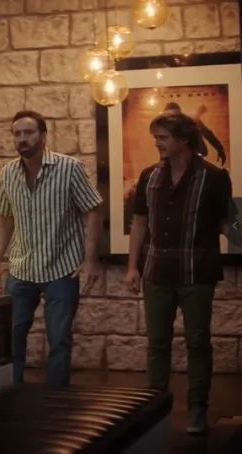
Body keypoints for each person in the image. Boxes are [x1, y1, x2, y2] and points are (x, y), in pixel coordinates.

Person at [124, 111, 232, 435]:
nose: (157, 143)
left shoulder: (214, 177)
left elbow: (228, 224)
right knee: (157, 342)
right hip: (157, 272)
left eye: (163, 138)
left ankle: (198, 409)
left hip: (197, 272)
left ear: (183, 140)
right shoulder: (149, 176)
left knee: (198, 342)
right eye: (156, 137)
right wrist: (132, 267)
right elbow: (139, 223)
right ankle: (155, 409)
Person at [0, 110, 103, 387]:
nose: (22, 139)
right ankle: (11, 393)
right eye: (17, 134)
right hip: (21, 268)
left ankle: (56, 399)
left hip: (61, 268)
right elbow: (5, 219)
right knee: (12, 337)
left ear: (43, 136)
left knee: (59, 340)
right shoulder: (8, 173)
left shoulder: (69, 168)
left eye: (29, 133)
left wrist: (90, 260)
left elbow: (94, 210)